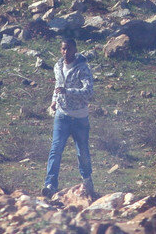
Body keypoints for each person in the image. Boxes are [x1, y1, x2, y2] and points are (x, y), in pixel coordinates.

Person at [43, 37, 96, 200]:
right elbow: (57, 86)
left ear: (75, 50)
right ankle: (50, 185)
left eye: (69, 49)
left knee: (82, 151)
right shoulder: (58, 66)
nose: (66, 52)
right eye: (63, 49)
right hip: (62, 115)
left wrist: (67, 91)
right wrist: (54, 100)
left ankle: (87, 182)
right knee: (56, 149)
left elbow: (89, 92)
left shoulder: (83, 68)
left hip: (79, 117)